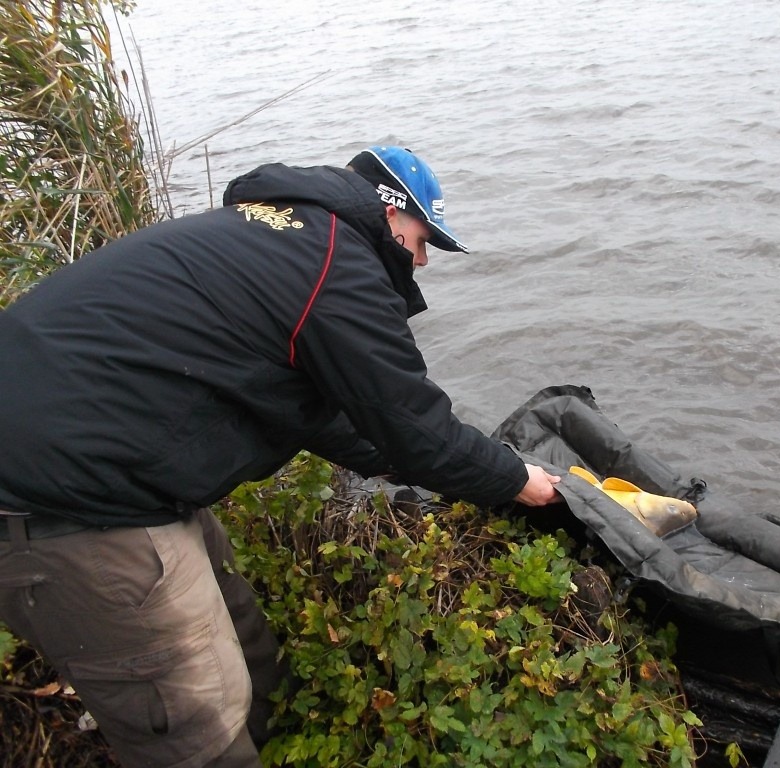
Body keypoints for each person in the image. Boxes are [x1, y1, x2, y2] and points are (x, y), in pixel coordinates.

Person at [0, 145, 561, 767]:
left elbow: (314, 410)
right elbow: (417, 426)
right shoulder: (337, 262)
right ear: (391, 213)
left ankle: (281, 741)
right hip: (62, 501)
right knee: (195, 727)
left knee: (243, 639)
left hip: (121, 469)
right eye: (424, 240)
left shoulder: (282, 236)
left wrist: (398, 461)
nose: (422, 260)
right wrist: (518, 481)